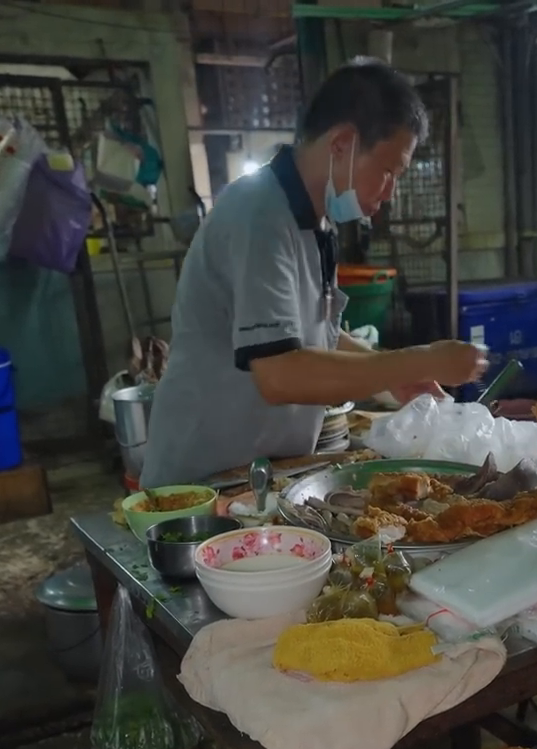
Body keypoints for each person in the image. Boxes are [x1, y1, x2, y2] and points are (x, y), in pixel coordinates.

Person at [139, 59, 487, 488]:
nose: (390, 192)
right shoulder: (259, 213)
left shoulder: (313, 221)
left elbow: (314, 334)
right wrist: (419, 359)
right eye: (388, 171)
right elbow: (280, 372)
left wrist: (395, 374)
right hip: (201, 484)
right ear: (342, 143)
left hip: (257, 474)